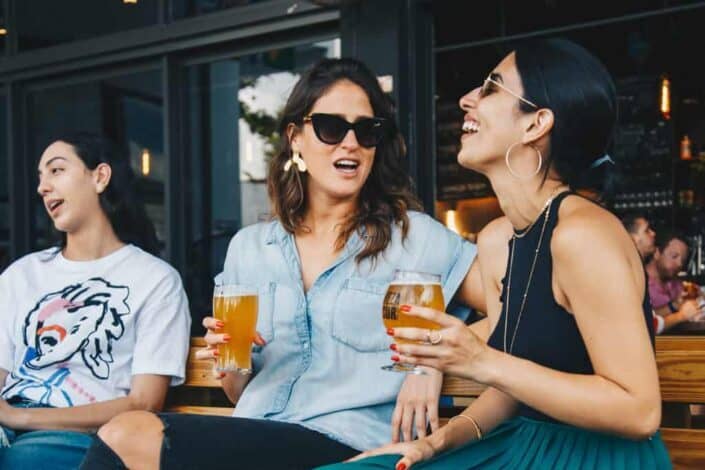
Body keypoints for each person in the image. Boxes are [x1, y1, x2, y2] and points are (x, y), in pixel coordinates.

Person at [79, 58, 485, 469]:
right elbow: (240, 393)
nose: (350, 143)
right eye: (331, 127)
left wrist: (429, 363)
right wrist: (229, 364)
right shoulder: (249, 248)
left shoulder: (412, 236)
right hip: (259, 431)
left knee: (127, 434)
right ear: (295, 137)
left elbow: (516, 315)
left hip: (350, 442)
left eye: (366, 130)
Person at [326, 38, 671, 470]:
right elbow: (514, 387)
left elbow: (638, 411)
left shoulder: (583, 236)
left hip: (595, 456)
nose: (467, 99)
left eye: (491, 87)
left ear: (535, 125)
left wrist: (481, 360)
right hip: (525, 445)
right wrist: (435, 444)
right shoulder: (497, 240)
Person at [0, 133, 191, 469]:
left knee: (22, 461)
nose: (43, 187)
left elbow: (144, 403)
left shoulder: (155, 280)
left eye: (56, 171)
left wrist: (21, 417)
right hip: (8, 428)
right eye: (40, 178)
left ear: (100, 177)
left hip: (79, 437)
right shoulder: (22, 275)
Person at [646, 231, 703, 332]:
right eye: (674, 256)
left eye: (683, 260)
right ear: (657, 253)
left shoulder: (677, 285)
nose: (679, 263)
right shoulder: (642, 283)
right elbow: (646, 320)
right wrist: (675, 308)